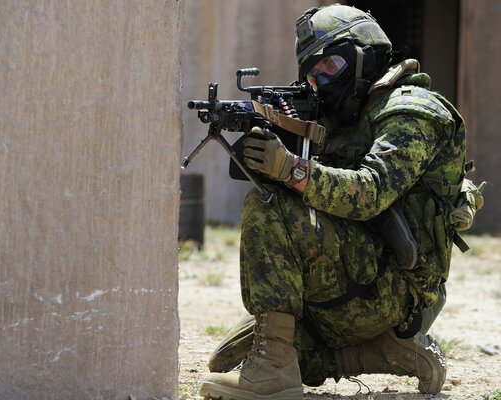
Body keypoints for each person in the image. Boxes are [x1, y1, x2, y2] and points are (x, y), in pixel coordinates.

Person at [199, 4, 483, 400]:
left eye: (330, 66)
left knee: (267, 206)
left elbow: (369, 192)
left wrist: (292, 170)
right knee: (226, 357)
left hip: (400, 288)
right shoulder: (345, 118)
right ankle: (378, 353)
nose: (320, 80)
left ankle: (275, 372)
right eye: (311, 73)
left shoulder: (414, 111)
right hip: (358, 269)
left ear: (364, 57)